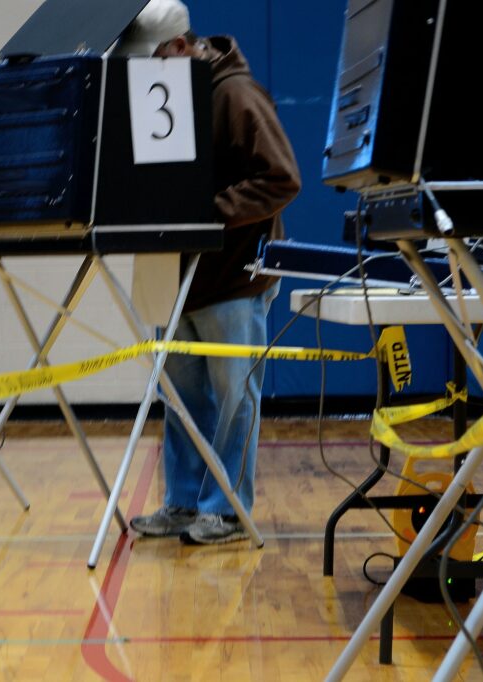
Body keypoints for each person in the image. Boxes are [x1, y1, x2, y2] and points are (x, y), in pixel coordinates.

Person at [121, 0, 301, 544]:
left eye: (152, 61)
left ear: (181, 47)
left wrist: (206, 214)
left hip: (234, 277)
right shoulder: (173, 98)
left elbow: (281, 180)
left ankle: (224, 509)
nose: (144, 76)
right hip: (179, 279)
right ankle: (182, 501)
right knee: (181, 400)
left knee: (232, 401)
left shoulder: (236, 95)